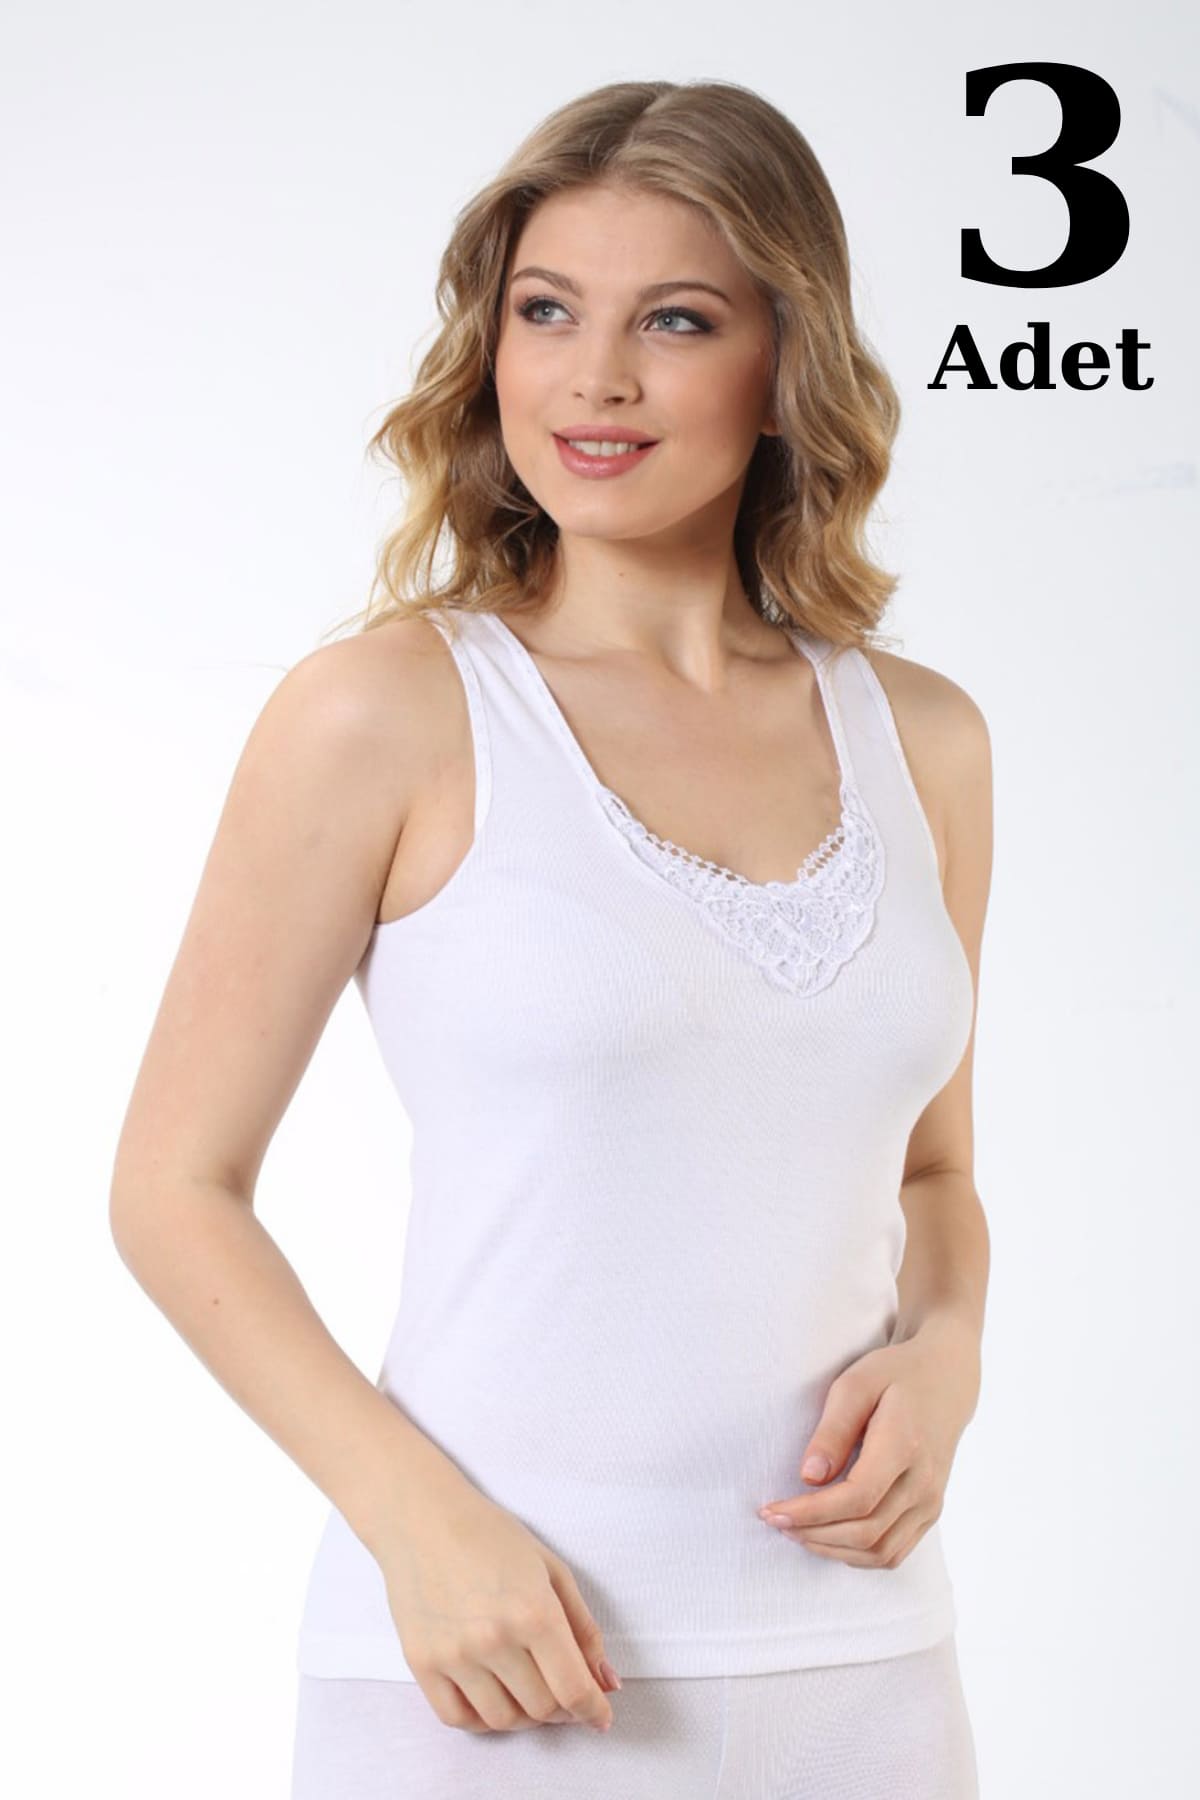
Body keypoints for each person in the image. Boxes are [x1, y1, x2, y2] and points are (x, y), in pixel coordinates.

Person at [110, 77, 992, 1799]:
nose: (595, 379)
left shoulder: (928, 741)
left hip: (861, 1666)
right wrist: (412, 1521)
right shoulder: (384, 713)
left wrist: (949, 1351)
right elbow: (171, 1186)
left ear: (786, 361)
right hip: (489, 1662)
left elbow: (937, 1171)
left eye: (677, 319)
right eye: (545, 311)